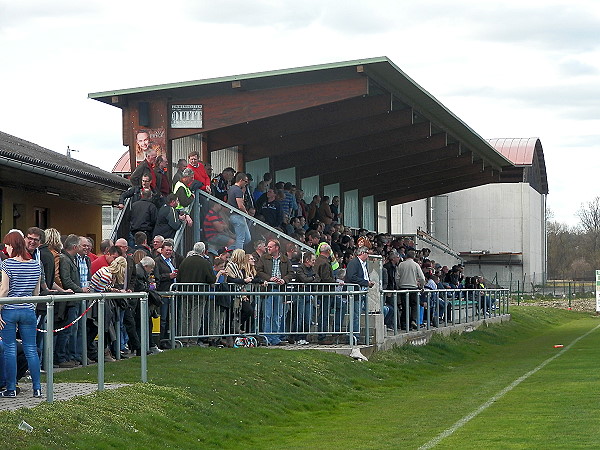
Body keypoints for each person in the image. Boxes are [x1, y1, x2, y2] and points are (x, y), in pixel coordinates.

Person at [0, 231, 43, 398]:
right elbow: (37, 292)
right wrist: (30, 306)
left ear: (12, 245)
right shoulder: (35, 264)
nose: (6, 248)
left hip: (10, 310)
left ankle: (11, 389)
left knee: (10, 349)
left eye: (7, 245)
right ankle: (37, 388)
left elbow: (4, 290)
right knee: (31, 349)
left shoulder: (7, 264)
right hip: (28, 311)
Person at [344, 246, 375, 344]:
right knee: (355, 315)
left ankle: (354, 335)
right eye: (367, 252)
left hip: (362, 291)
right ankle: (353, 336)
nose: (368, 255)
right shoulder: (354, 263)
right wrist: (366, 283)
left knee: (357, 314)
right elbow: (352, 277)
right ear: (362, 253)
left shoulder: (363, 264)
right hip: (355, 292)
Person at [227, 172, 252, 250]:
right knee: (240, 239)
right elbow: (240, 205)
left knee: (247, 238)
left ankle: (230, 249)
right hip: (238, 216)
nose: (246, 184)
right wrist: (246, 213)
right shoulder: (238, 190)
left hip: (233, 216)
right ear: (241, 180)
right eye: (246, 181)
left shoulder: (231, 189)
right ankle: (239, 258)